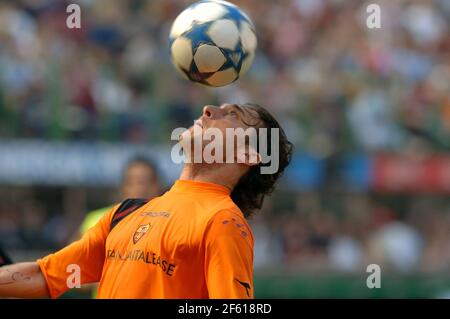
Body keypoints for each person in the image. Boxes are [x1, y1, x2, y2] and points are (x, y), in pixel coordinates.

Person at [0, 103, 292, 299]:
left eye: (232, 115)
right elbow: (44, 275)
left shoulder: (222, 221)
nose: (209, 109)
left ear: (249, 155)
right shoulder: (127, 211)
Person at [77, 156, 162, 298]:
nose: (140, 188)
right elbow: (74, 274)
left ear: (158, 186)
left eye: (146, 182)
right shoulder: (97, 220)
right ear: (123, 187)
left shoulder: (171, 222)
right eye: (133, 182)